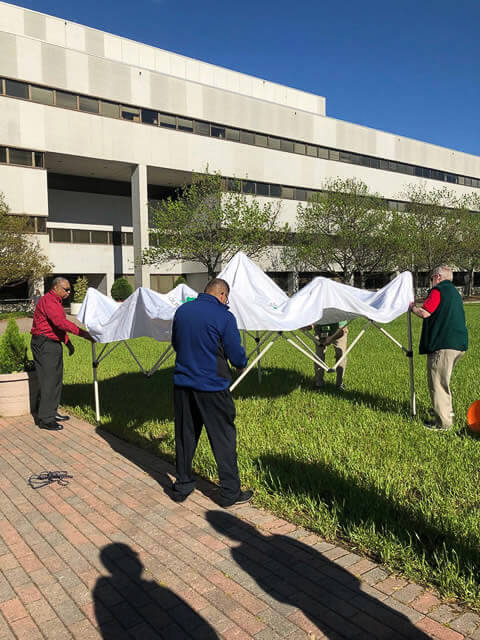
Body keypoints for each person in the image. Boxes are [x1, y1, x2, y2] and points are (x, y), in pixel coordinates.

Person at [171, 277, 252, 508]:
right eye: (227, 299)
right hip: (212, 386)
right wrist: (241, 363)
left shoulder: (183, 311)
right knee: (223, 438)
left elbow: (176, 343)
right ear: (222, 295)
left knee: (185, 436)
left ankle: (182, 486)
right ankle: (229, 493)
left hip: (183, 384)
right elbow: (235, 352)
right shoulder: (224, 316)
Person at [409, 265, 468, 431]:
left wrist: (412, 307)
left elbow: (425, 312)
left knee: (438, 383)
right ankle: (446, 412)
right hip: (458, 344)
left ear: (438, 277)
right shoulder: (455, 293)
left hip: (443, 344)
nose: (431, 281)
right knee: (444, 381)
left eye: (431, 278)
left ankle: (443, 424)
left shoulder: (438, 291)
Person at [31, 277, 94, 431]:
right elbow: (60, 323)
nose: (69, 292)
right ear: (56, 288)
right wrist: (84, 334)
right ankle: (45, 419)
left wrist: (68, 343)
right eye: (66, 289)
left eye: (69, 289)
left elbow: (57, 328)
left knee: (56, 379)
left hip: (52, 344)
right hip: (45, 344)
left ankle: (51, 412)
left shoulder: (56, 301)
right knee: (49, 381)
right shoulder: (49, 301)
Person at [313, 320, 348, 390]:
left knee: (341, 354)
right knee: (318, 355)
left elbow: (342, 330)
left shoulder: (339, 317)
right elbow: (310, 324)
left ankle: (340, 384)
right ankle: (319, 383)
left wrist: (331, 338)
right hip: (320, 329)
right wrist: (305, 326)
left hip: (338, 330)